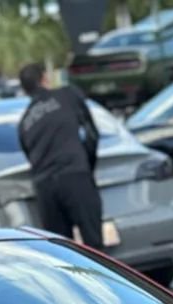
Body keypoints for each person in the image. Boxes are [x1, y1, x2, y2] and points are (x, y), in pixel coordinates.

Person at [15, 62, 107, 250]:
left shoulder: (24, 123)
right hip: (75, 176)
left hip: (45, 188)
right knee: (94, 246)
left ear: (24, 90)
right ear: (45, 78)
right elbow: (91, 134)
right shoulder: (67, 95)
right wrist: (87, 167)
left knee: (61, 251)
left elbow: (29, 156)